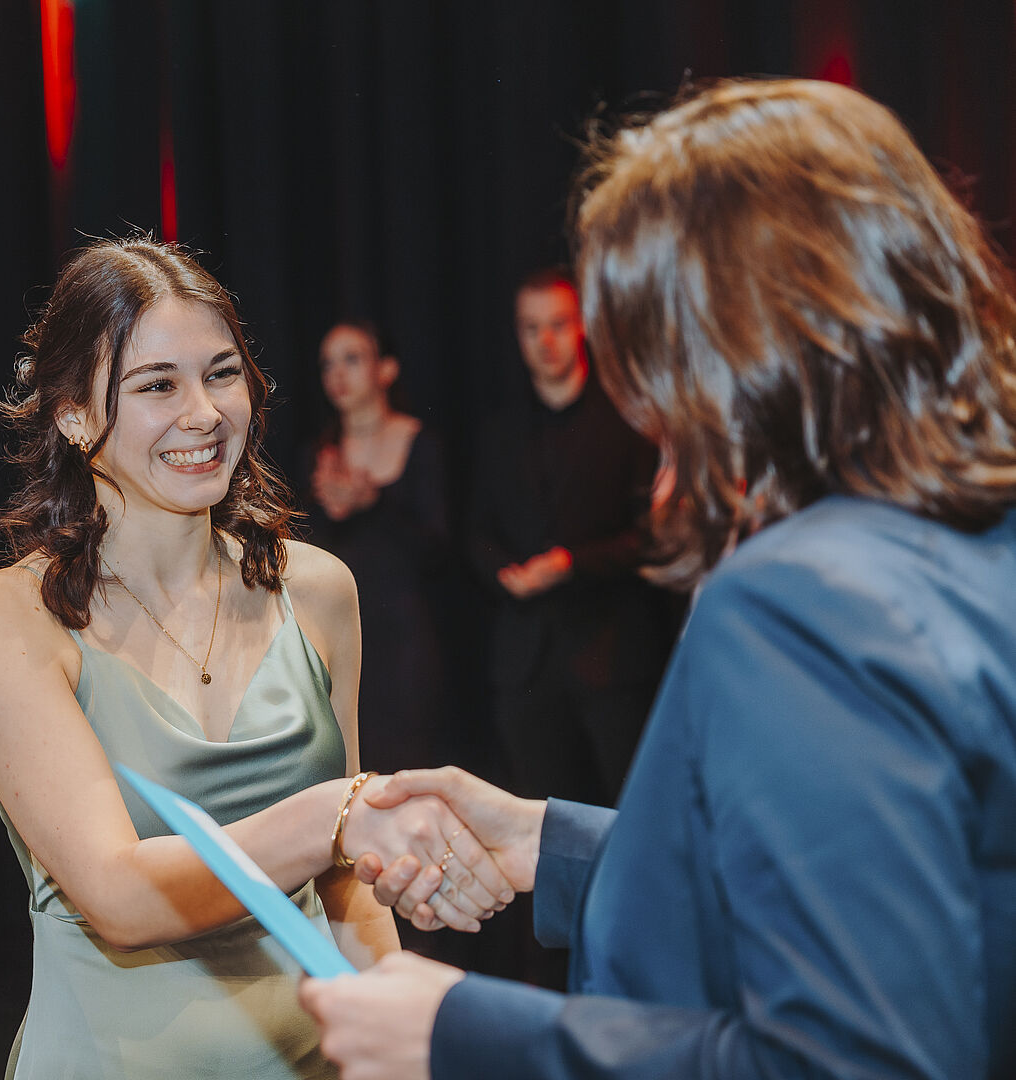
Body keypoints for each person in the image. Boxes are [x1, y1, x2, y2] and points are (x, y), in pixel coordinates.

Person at [298, 78, 1016, 1080]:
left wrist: (459, 1033)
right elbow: (900, 889)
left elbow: (853, 1060)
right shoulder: (968, 530)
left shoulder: (804, 602)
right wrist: (549, 844)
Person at [0, 238, 512, 1078]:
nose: (205, 414)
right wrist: (339, 814)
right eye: (157, 385)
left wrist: (399, 1047)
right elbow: (120, 897)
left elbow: (347, 885)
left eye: (222, 374)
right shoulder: (2, 621)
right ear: (71, 415)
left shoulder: (318, 590)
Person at [468, 268, 671, 810]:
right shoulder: (500, 431)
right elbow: (477, 533)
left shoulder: (628, 421)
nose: (546, 340)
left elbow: (652, 537)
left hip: (612, 655)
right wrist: (504, 572)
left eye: (557, 324)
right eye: (531, 327)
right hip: (526, 663)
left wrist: (571, 563)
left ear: (582, 326)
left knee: (630, 813)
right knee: (542, 822)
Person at [305, 321, 459, 776]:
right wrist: (330, 512)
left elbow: (438, 550)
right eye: (327, 364)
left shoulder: (420, 443)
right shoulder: (319, 454)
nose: (337, 374)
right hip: (339, 636)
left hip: (404, 638)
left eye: (352, 359)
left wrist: (373, 503)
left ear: (386, 369)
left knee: (405, 767)